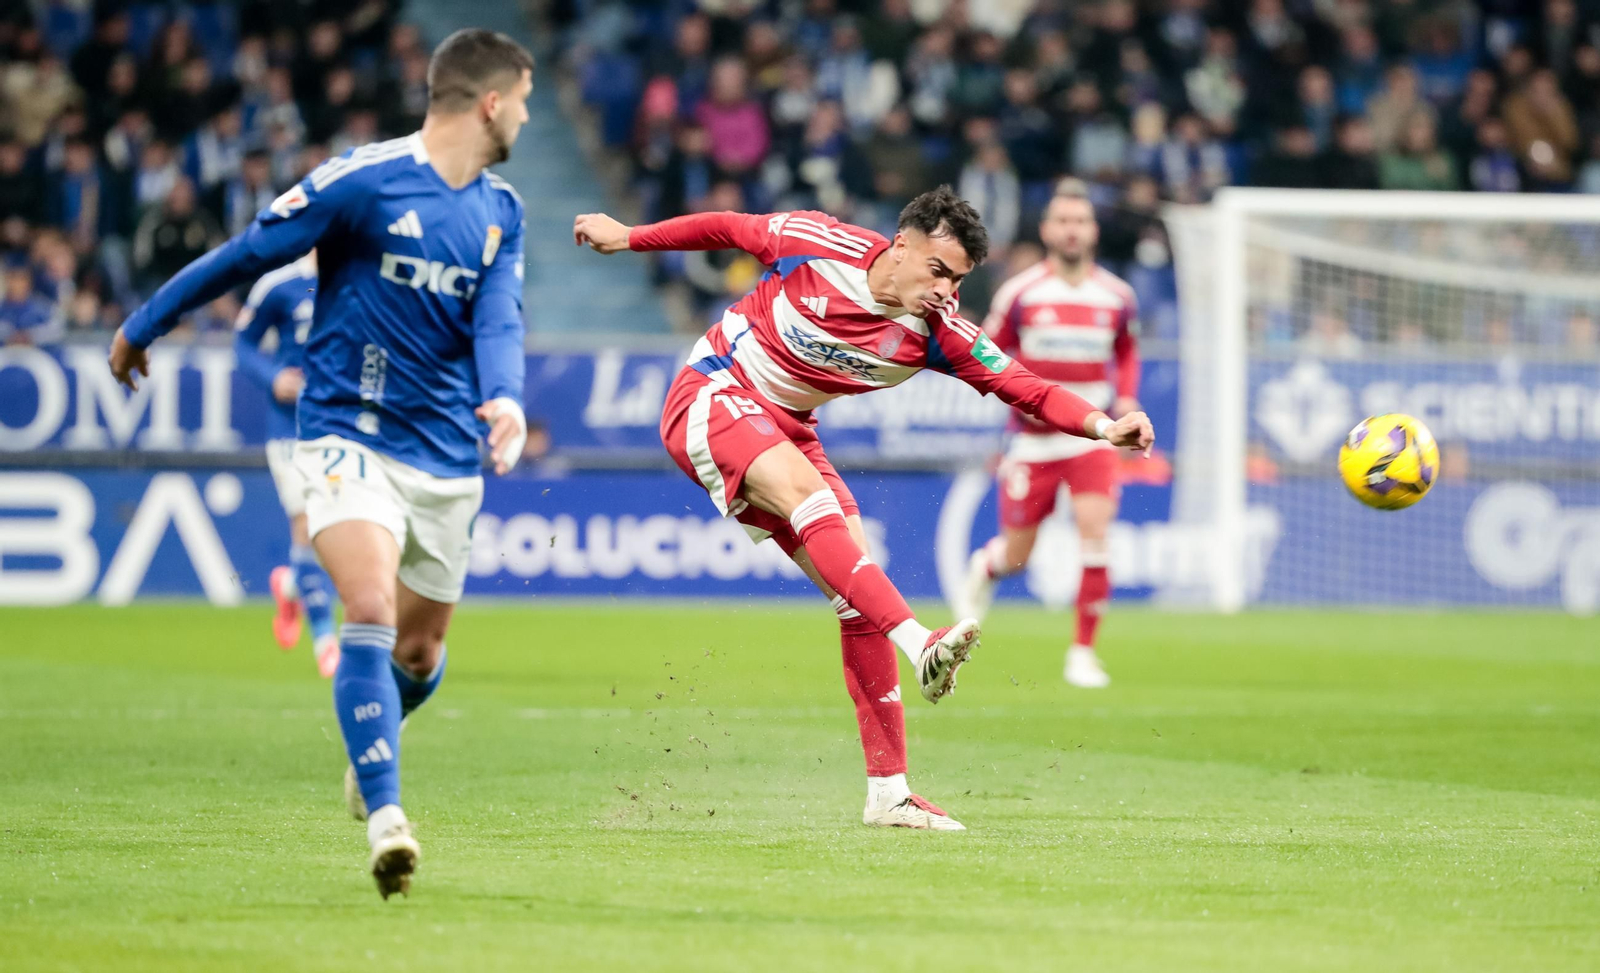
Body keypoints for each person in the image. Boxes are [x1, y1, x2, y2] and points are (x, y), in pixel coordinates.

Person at [573, 187, 1153, 830]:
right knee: (815, 504)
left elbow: (1026, 386)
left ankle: (889, 793)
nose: (946, 292)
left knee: (857, 586)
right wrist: (629, 235)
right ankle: (922, 641)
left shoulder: (939, 335)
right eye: (938, 270)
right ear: (902, 244)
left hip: (789, 426)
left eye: (959, 280)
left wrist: (1104, 426)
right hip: (715, 388)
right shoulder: (815, 242)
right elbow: (726, 225)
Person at [108, 29, 535, 899]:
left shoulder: (502, 210)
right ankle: (387, 817)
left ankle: (373, 737)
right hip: (346, 433)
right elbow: (245, 255)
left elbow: (498, 317)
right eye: (523, 99)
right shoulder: (361, 180)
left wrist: (508, 397)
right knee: (368, 606)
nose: (526, 114)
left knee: (419, 651)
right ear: (490, 102)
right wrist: (142, 323)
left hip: (448, 451)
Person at [952, 179, 1141, 689]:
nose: (1072, 229)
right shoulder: (1022, 292)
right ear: (1047, 229)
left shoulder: (1117, 296)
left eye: (1080, 221)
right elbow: (988, 352)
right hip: (1033, 440)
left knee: (1096, 536)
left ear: (1093, 230)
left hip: (1093, 437)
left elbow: (1125, 352)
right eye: (1062, 221)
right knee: (1017, 556)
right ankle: (985, 568)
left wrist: (1125, 400)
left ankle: (1082, 653)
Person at [233, 252, 341, 677]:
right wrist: (272, 376)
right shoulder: (279, 286)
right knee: (306, 523)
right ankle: (326, 642)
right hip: (290, 429)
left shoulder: (364, 277)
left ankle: (292, 584)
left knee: (333, 530)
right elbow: (242, 344)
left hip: (344, 426)